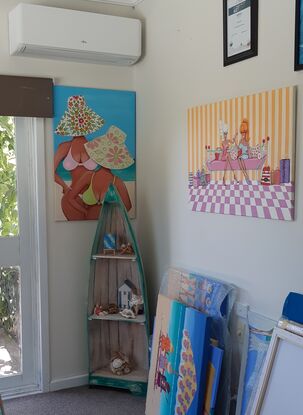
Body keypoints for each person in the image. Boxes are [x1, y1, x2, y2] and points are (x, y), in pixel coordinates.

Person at [62, 125, 134, 220]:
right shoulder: (117, 181)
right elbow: (127, 207)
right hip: (101, 224)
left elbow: (70, 198)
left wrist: (85, 211)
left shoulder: (90, 176)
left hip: (96, 224)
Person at [54, 95, 105, 218]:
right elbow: (50, 172)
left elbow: (105, 171)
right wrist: (64, 186)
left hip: (93, 198)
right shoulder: (65, 147)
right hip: (72, 196)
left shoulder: (95, 145)